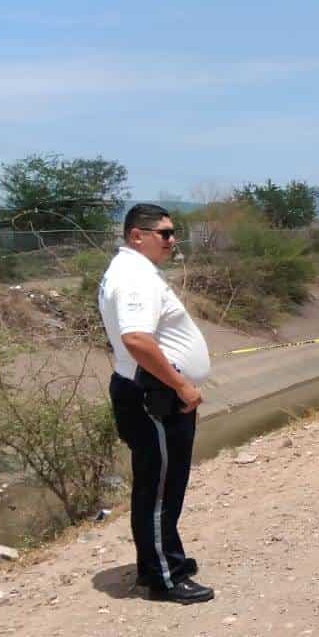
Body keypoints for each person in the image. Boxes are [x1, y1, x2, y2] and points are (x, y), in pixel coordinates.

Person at [98, 204, 213, 603]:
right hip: (154, 396)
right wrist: (182, 386)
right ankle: (164, 577)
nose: (172, 240)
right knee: (160, 488)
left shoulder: (136, 273)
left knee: (163, 483)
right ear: (137, 236)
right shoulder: (132, 278)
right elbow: (137, 340)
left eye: (172, 232)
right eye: (164, 233)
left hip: (153, 391)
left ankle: (162, 559)